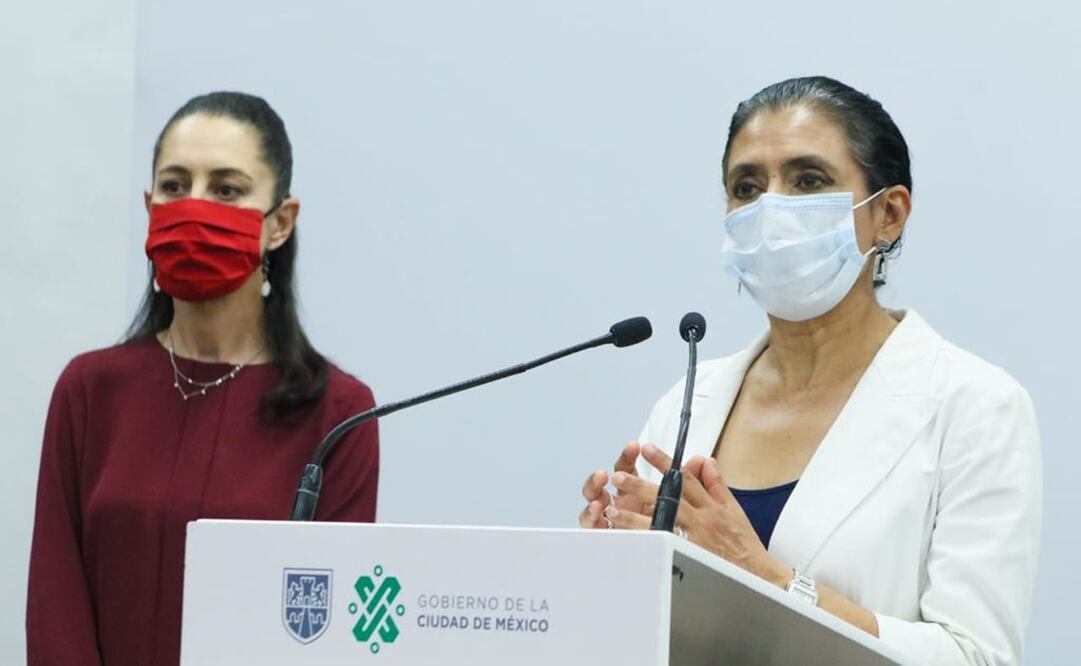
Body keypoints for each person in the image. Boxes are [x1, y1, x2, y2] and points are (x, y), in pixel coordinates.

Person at [578, 76, 1041, 665]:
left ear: (889, 214)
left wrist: (767, 578)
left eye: (808, 180)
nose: (771, 208)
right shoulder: (685, 403)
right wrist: (604, 574)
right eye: (747, 187)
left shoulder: (976, 406)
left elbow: (975, 656)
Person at [26, 92, 380, 666]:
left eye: (226, 190)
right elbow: (55, 604)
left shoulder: (338, 414)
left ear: (280, 222)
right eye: (174, 186)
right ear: (150, 206)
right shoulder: (89, 391)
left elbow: (328, 633)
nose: (194, 206)